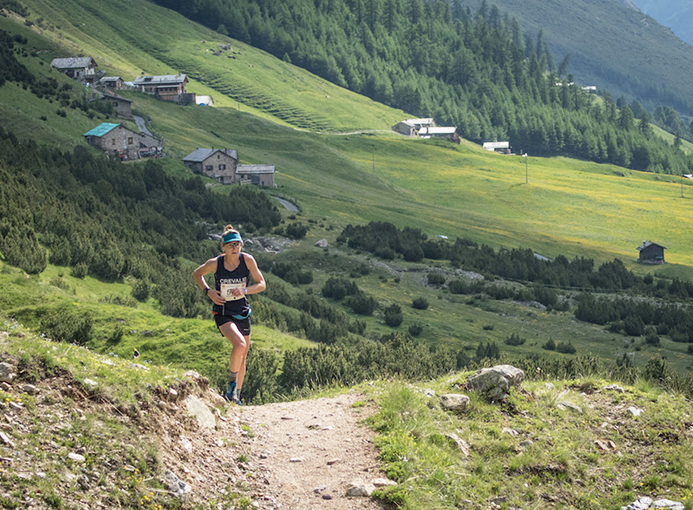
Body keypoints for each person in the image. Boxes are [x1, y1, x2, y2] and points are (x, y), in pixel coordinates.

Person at [193, 225, 266, 404]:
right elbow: (197, 274)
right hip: (223, 312)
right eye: (230, 245)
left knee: (243, 356)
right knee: (240, 345)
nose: (235, 248)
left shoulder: (247, 260)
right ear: (223, 247)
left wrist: (244, 290)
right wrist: (209, 292)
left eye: (238, 244)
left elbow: (262, 284)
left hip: (242, 311)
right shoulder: (215, 263)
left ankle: (236, 398)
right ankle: (230, 388)